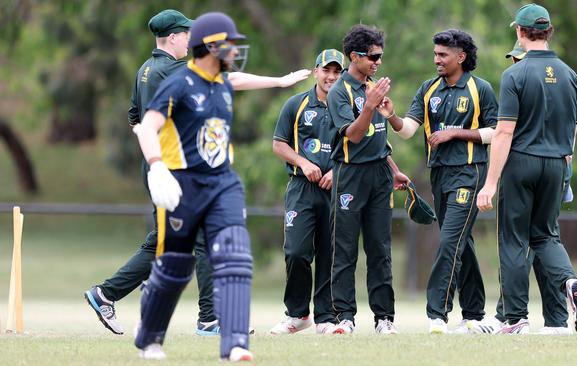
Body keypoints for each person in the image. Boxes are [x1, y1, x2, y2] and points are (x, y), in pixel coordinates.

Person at [83, 9, 310, 337]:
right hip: (176, 168)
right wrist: (278, 80)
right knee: (200, 239)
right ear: (173, 37)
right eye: (186, 35)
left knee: (166, 241)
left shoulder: (145, 70)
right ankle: (210, 318)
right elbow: (226, 79)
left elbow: (135, 119)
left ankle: (107, 294)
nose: (191, 40)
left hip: (160, 165)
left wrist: (153, 150)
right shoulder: (176, 71)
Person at [131, 11, 257, 361]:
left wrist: (281, 81)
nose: (234, 50)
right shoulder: (178, 82)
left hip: (222, 183)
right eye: (228, 44)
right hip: (183, 184)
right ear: (209, 47)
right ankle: (151, 338)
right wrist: (157, 168)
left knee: (234, 254)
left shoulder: (224, 85)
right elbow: (146, 127)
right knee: (174, 267)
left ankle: (234, 343)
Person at [476, 3, 577, 334]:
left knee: (514, 241)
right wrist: (564, 168)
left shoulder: (514, 74)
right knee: (546, 236)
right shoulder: (570, 75)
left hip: (522, 163)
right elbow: (573, 130)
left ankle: (515, 318)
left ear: (519, 32)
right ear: (549, 32)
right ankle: (570, 281)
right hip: (557, 163)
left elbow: (504, 132)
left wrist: (490, 182)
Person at [384, 29, 498, 334]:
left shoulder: (480, 88)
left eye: (443, 55)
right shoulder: (428, 89)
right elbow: (408, 129)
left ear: (460, 57)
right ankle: (474, 315)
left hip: (470, 172)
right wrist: (392, 116)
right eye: (435, 54)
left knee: (449, 241)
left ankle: (437, 313)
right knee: (463, 241)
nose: (437, 59)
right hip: (439, 174)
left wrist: (456, 132)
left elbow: (495, 132)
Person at [327, 24, 409, 335]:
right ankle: (344, 318)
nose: (377, 62)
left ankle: (384, 319)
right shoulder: (340, 92)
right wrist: (370, 105)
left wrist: (394, 168)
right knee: (345, 248)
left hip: (379, 176)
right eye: (372, 56)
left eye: (380, 56)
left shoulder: (374, 87)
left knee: (380, 249)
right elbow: (356, 136)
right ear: (354, 56)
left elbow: (379, 138)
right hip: (350, 175)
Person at [269, 49, 345, 335]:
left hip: (336, 190)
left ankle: (326, 317)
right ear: (316, 71)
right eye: (327, 70)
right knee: (297, 252)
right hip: (301, 188)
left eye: (338, 72)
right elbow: (279, 144)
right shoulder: (296, 104)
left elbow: (358, 147)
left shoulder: (348, 106)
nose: (331, 77)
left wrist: (336, 172)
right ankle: (298, 314)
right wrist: (303, 162)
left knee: (329, 254)